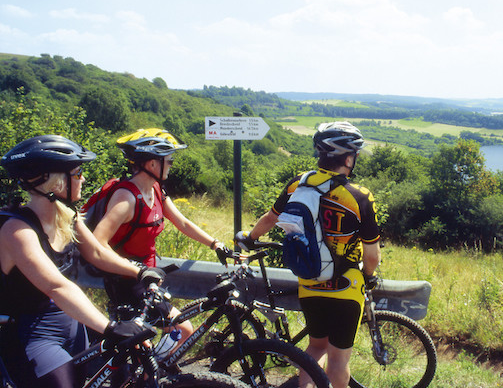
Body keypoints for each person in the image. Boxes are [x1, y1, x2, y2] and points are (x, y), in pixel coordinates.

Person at [0, 135, 163, 388]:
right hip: (33, 334)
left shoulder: (67, 215)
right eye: (77, 173)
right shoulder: (17, 231)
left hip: (70, 323)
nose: (83, 179)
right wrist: (110, 328)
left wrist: (139, 271)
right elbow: (56, 286)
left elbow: (96, 253)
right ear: (53, 182)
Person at [236, 121, 382, 388]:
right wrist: (369, 277)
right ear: (349, 158)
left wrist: (249, 238)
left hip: (310, 281)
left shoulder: (298, 184)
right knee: (338, 360)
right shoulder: (359, 197)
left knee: (315, 348)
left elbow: (270, 218)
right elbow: (371, 256)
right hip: (346, 286)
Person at [91, 128, 226, 351]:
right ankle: (148, 378)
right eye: (169, 160)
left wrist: (215, 243)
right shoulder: (126, 198)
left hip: (146, 279)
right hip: (127, 282)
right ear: (153, 163)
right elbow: (97, 243)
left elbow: (182, 223)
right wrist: (134, 270)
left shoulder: (154, 189)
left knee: (141, 347)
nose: (172, 165)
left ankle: (145, 375)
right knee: (181, 330)